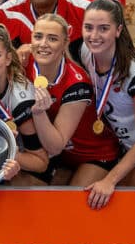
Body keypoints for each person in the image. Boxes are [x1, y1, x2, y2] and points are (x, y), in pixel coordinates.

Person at [77, 0, 135, 207]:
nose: (94, 36)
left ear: (118, 30)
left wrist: (110, 180)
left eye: (103, 28)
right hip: (122, 150)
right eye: (88, 28)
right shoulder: (86, 53)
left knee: (129, 209)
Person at [28, 14, 119, 187]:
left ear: (65, 43)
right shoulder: (25, 64)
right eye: (38, 36)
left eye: (52, 39)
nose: (43, 44)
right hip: (60, 155)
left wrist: (38, 113)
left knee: (75, 204)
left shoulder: (77, 83)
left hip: (93, 154)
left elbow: (55, 145)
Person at [0, 25, 48, 181]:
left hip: (21, 165)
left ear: (8, 59)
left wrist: (5, 151)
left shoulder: (21, 100)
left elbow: (41, 162)